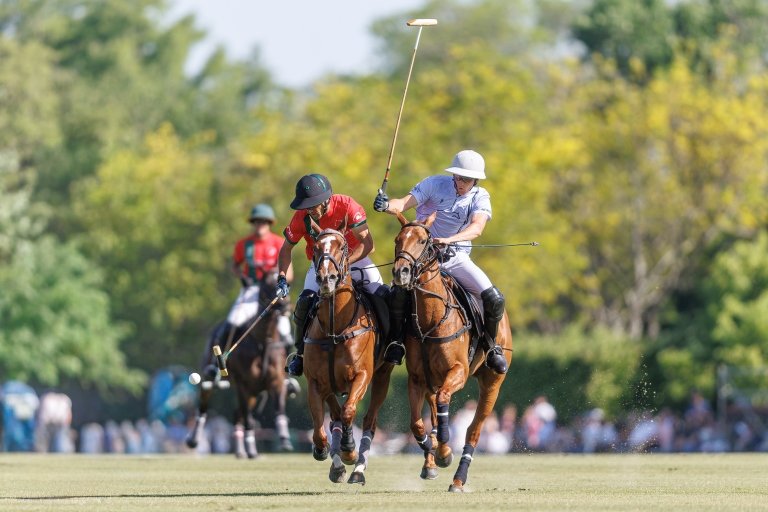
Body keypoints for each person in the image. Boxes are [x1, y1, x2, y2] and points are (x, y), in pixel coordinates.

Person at [373, 149, 508, 374]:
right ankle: (396, 342)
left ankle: (491, 347)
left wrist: (449, 240)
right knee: (396, 293)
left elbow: (477, 228)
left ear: (476, 179)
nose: (460, 182)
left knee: (493, 298)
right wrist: (386, 205)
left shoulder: (480, 197)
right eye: (457, 176)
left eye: (466, 179)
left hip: (456, 258)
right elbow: (403, 203)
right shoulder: (434, 184)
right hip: (421, 259)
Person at [278, 173, 385, 377]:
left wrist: (343, 264)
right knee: (303, 302)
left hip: (356, 259)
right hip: (321, 266)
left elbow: (368, 245)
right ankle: (300, 355)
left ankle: (393, 343)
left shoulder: (347, 206)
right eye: (306, 205)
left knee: (383, 295)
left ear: (327, 199)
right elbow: (286, 249)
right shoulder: (302, 217)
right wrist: (282, 277)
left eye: (314, 204)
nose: (310, 209)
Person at [217, 203, 292, 352]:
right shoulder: (244, 244)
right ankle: (218, 363)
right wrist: (242, 276)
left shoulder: (279, 243)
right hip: (251, 289)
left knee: (286, 331)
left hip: (273, 291)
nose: (260, 225)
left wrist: (281, 280)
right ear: (253, 223)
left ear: (269, 223)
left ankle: (288, 368)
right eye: (257, 221)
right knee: (232, 322)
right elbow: (235, 266)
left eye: (264, 221)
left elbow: (289, 272)